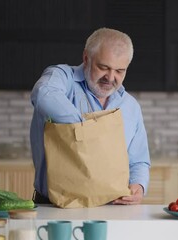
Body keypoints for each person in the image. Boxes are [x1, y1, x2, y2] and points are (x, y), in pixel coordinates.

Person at [30, 28, 151, 205]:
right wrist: (85, 129)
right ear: (86, 58)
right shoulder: (63, 78)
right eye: (103, 67)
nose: (110, 77)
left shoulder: (130, 106)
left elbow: (139, 160)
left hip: (112, 209)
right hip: (56, 207)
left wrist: (138, 186)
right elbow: (43, 93)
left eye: (120, 71)